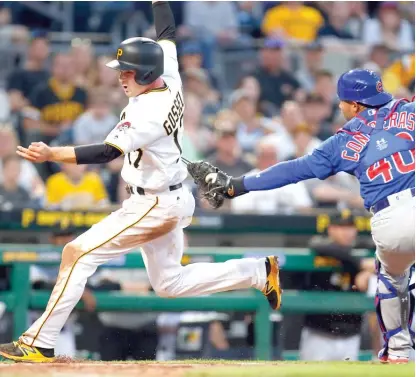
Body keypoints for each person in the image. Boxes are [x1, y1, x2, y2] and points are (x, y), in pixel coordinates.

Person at [0, 1, 281, 363]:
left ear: (147, 74)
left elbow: (106, 153)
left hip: (153, 203)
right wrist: (159, 2)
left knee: (77, 253)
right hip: (167, 196)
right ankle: (258, 271)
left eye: (128, 72)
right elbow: (166, 33)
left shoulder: (149, 110)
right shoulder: (170, 76)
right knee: (169, 284)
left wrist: (53, 154)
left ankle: (39, 340)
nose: (121, 77)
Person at [192, 69, 415, 364]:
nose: (339, 106)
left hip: (390, 219)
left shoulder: (343, 140)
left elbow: (291, 171)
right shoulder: (408, 109)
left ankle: (399, 352)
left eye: (343, 101)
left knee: (391, 279)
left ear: (356, 105)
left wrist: (237, 185)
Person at [299, 213, 375, 361]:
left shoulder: (360, 248)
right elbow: (318, 245)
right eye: (341, 227)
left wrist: (367, 270)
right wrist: (360, 264)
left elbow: (387, 251)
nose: (346, 232)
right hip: (319, 334)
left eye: (350, 227)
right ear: (331, 229)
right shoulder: (322, 246)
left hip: (351, 334)